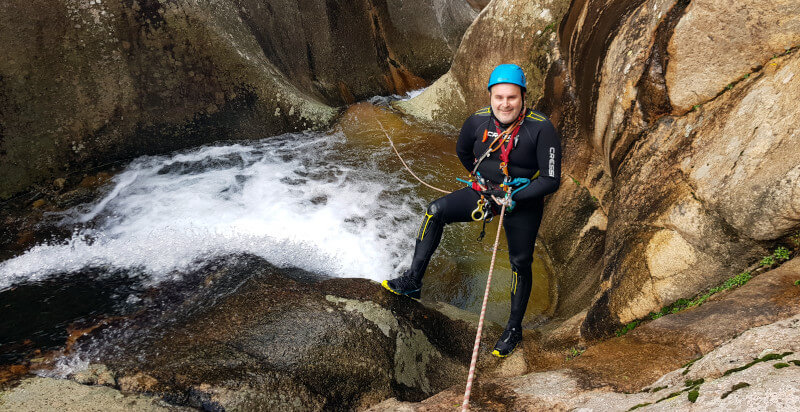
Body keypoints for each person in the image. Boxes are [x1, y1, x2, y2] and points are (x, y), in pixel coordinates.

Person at [381, 63, 562, 357]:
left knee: (520, 261)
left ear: (523, 97)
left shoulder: (541, 128)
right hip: (484, 193)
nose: (505, 104)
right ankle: (413, 280)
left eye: (512, 97)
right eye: (499, 97)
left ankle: (513, 329)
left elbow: (551, 180)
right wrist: (485, 184)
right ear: (490, 96)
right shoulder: (477, 122)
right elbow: (463, 152)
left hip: (521, 200)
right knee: (435, 211)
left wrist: (515, 194)